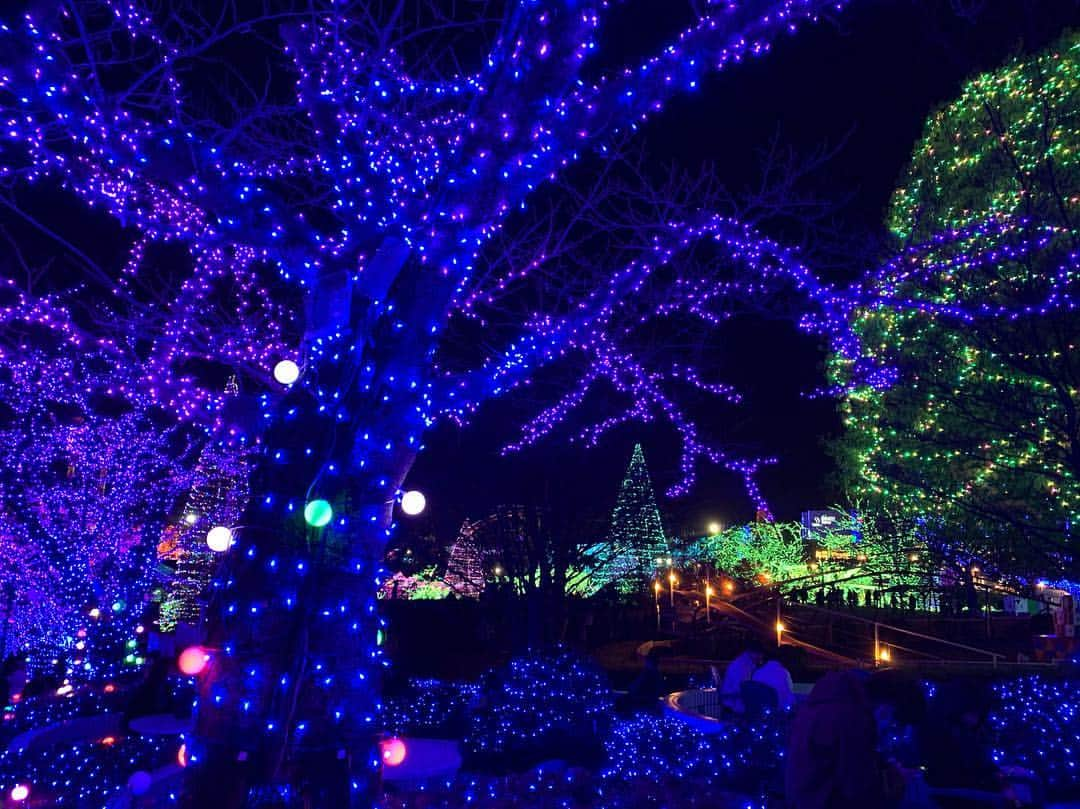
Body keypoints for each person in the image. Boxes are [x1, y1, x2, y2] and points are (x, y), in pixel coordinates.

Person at [785, 670, 886, 808]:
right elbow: (855, 782)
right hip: (825, 800)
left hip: (801, 797)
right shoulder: (851, 716)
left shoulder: (811, 708)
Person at [718, 642, 764, 712]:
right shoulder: (740, 665)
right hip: (732, 705)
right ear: (753, 653)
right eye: (760, 655)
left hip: (735, 702)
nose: (761, 658)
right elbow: (737, 688)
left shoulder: (747, 663)